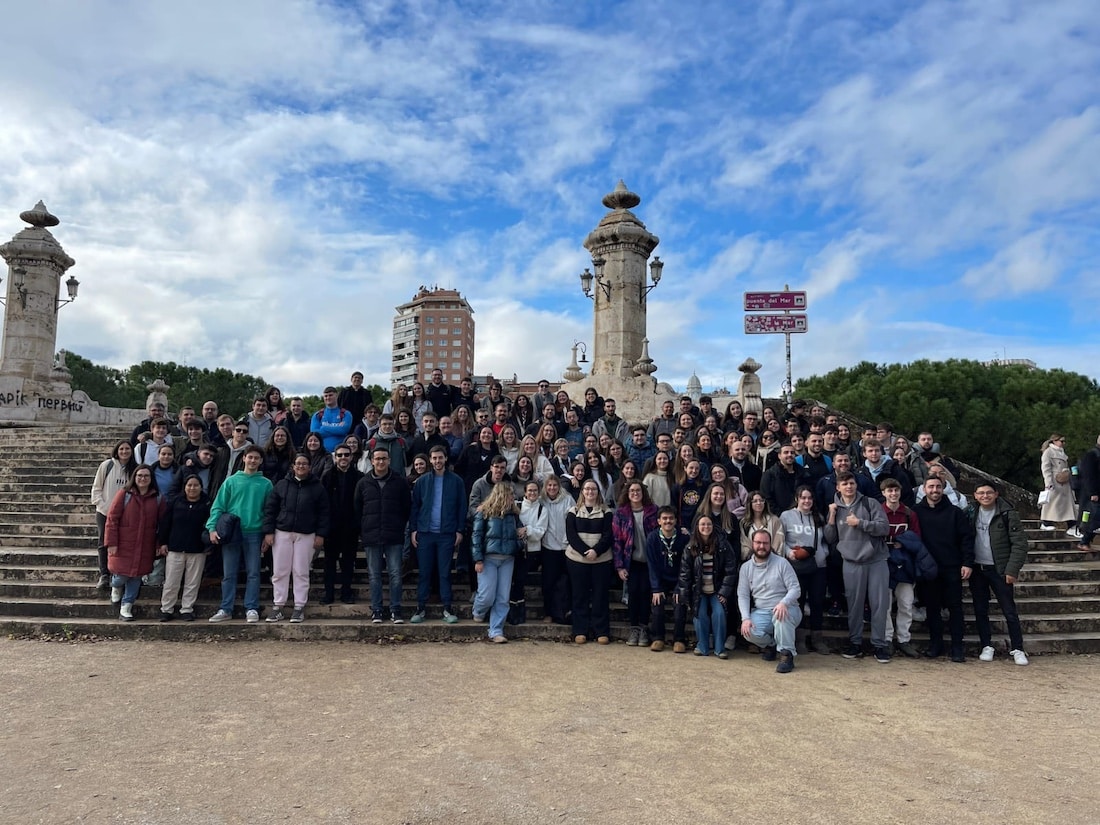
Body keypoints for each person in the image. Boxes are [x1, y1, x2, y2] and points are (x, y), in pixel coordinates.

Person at [825, 471, 891, 663]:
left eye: (851, 483)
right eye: (844, 484)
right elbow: (830, 537)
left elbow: (884, 528)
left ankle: (879, 645)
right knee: (854, 604)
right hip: (851, 561)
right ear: (838, 487)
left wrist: (860, 523)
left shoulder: (870, 503)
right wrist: (831, 516)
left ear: (856, 485)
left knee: (879, 604)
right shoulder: (834, 508)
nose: (849, 486)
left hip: (876, 559)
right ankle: (855, 642)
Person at [206, 445, 274, 623]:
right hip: (232, 533)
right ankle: (225, 608)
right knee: (229, 573)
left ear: (260, 461)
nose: (252, 461)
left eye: (256, 458)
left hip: (255, 533)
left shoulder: (266, 484)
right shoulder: (231, 481)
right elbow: (218, 506)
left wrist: (267, 533)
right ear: (244, 458)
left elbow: (270, 512)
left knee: (253, 573)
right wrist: (212, 528)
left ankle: (251, 607)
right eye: (250, 457)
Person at [262, 453, 330, 623]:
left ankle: (299, 606)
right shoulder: (282, 485)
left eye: (304, 463)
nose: (301, 466)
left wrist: (321, 534)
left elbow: (324, 513)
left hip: (306, 534)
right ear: (293, 466)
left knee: (301, 571)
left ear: (309, 467)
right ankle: (278, 606)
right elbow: (270, 509)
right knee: (280, 571)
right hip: (282, 532)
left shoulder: (317, 487)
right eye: (298, 463)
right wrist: (268, 531)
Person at [913, 475, 974, 662]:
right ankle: (935, 645)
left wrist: (967, 563)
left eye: (938, 487)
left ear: (943, 489)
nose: (934, 490)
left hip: (952, 567)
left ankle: (957, 647)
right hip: (928, 568)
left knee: (955, 608)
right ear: (924, 489)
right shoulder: (916, 512)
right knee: (932, 608)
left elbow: (966, 539)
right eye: (931, 486)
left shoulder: (955, 513)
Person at [969, 482, 1030, 665]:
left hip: (1000, 569)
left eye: (989, 492)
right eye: (981, 493)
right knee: (980, 609)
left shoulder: (1007, 513)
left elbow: (1020, 543)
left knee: (1009, 610)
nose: (985, 496)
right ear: (975, 495)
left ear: (996, 494)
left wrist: (1012, 569)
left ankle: (1018, 648)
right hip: (977, 568)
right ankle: (986, 645)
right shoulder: (970, 513)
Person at [409, 445, 467, 624]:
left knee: (444, 573)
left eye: (440, 457)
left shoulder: (456, 481)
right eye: (434, 458)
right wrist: (413, 530)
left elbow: (462, 507)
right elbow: (415, 507)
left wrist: (459, 530)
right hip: (425, 533)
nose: (437, 461)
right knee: (424, 573)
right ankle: (420, 608)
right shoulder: (422, 481)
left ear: (446, 458)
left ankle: (447, 608)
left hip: (446, 534)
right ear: (430, 459)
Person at [355, 446, 412, 623]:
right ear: (372, 461)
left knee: (395, 574)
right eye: (377, 459)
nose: (381, 462)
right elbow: (357, 509)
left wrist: (399, 526)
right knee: (374, 575)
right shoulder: (363, 483)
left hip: (394, 535)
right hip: (371, 535)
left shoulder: (400, 482)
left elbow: (406, 508)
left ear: (389, 460)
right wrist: (363, 529)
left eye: (384, 458)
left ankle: (396, 609)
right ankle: (377, 610)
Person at [880, 477, 933, 659]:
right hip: (884, 563)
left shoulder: (909, 513)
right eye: (889, 490)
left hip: (905, 564)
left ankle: (904, 639)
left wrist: (902, 542)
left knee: (906, 603)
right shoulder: (879, 512)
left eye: (896, 490)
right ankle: (887, 639)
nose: (893, 494)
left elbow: (916, 538)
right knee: (885, 604)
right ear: (883, 493)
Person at [105, 465, 165, 620]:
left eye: (146, 476)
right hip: (124, 542)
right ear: (134, 477)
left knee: (136, 576)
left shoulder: (158, 498)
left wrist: (159, 544)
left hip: (145, 544)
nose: (143, 479)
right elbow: (112, 519)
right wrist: (111, 542)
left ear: (151, 478)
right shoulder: (124, 494)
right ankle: (115, 585)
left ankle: (127, 606)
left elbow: (162, 524)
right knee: (121, 575)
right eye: (140, 475)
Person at [738, 528, 802, 673]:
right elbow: (743, 595)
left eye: (765, 543)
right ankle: (771, 645)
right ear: (752, 544)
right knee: (748, 630)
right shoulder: (745, 568)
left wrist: (784, 603)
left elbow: (795, 589)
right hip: (762, 611)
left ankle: (786, 654)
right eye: (758, 543)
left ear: (770, 544)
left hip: (787, 609)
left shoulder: (782, 563)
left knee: (781, 617)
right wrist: (745, 618)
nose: (762, 546)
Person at [675, 514, 737, 658]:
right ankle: (702, 646)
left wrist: (724, 592)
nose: (706, 527)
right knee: (700, 614)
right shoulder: (690, 547)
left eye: (708, 524)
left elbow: (730, 570)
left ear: (713, 526)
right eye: (702, 524)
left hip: (717, 590)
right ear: (697, 527)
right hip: (699, 591)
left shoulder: (723, 545)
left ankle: (720, 648)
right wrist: (686, 597)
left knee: (719, 613)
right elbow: (684, 574)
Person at [779, 486, 831, 655]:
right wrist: (789, 552)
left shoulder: (818, 517)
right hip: (796, 566)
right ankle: (799, 639)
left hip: (818, 566)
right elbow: (781, 540)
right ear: (797, 499)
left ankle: (817, 639)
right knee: (798, 602)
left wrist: (824, 554)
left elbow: (825, 541)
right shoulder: (786, 516)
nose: (807, 501)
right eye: (803, 498)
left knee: (817, 602)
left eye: (809, 498)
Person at [471, 482, 524, 644]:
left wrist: (519, 542)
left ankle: (496, 630)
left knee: (502, 597)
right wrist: (478, 559)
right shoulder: (484, 512)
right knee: (487, 595)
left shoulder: (514, 514)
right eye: (510, 495)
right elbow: (476, 536)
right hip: (488, 559)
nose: (513, 498)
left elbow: (519, 534)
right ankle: (478, 611)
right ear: (501, 495)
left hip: (507, 559)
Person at [565, 479, 614, 645]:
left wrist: (596, 551)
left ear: (598, 492)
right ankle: (580, 630)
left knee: (600, 596)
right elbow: (571, 535)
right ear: (582, 492)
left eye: (593, 489)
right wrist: (585, 551)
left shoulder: (606, 511)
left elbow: (608, 535)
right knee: (580, 596)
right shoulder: (573, 511)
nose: (590, 492)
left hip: (602, 560)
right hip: (577, 560)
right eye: (587, 489)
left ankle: (601, 631)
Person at [157, 474, 211, 621]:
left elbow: (210, 525)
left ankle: (187, 609)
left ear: (201, 487)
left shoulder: (207, 504)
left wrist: (208, 546)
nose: (192, 488)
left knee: (192, 582)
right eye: (189, 485)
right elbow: (165, 523)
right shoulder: (175, 502)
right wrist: (163, 542)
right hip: (175, 548)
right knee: (171, 582)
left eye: (196, 485)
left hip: (198, 549)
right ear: (184, 487)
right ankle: (166, 609)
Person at [612, 481, 659, 648]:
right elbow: (617, 541)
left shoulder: (653, 511)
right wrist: (619, 566)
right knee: (632, 594)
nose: (635, 493)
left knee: (646, 593)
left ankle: (644, 627)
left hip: (649, 561)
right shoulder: (621, 513)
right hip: (630, 561)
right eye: (632, 490)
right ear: (627, 493)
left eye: (638, 490)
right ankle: (634, 628)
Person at [320, 442, 365, 606]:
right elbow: (322, 503)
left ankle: (346, 592)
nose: (343, 458)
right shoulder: (327, 476)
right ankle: (329, 594)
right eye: (339, 455)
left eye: (346, 454)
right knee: (329, 562)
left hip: (351, 527)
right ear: (335, 457)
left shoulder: (360, 477)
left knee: (348, 562)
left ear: (351, 457)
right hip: (331, 528)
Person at [91, 440, 136, 591]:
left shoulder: (134, 469)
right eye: (121, 449)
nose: (124, 452)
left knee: (122, 543)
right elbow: (96, 489)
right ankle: (104, 574)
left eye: (127, 449)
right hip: (104, 511)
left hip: (126, 514)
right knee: (104, 542)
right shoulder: (107, 465)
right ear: (117, 451)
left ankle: (119, 572)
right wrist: (104, 506)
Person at [645, 505, 690, 652]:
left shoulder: (684, 538)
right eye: (664, 518)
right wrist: (656, 588)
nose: (668, 521)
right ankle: (658, 638)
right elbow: (651, 565)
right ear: (659, 521)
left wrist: (680, 587)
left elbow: (685, 566)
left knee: (679, 605)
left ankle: (679, 639)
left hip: (678, 580)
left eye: (671, 518)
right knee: (657, 605)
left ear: (676, 520)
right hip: (660, 580)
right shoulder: (652, 538)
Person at [539, 476, 573, 624]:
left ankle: (566, 611)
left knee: (567, 582)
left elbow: (572, 520)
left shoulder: (568, 499)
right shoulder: (542, 500)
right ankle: (549, 613)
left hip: (566, 547)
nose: (552, 488)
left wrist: (568, 540)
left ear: (559, 487)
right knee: (548, 582)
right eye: (549, 485)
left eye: (555, 485)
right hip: (548, 547)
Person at [1040, 434, 1077, 533]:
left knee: (1067, 503)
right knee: (1052, 503)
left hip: (1064, 480)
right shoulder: (1048, 452)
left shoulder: (1061, 452)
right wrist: (1048, 482)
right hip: (1054, 481)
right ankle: (1046, 522)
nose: (1063, 443)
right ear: (1054, 441)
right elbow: (1046, 468)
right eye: (1061, 441)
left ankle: (1071, 524)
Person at [738, 492, 784, 560]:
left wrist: (769, 555)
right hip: (752, 560)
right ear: (750, 504)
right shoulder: (744, 523)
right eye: (755, 501)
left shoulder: (774, 520)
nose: (759, 503)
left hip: (772, 559)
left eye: (761, 500)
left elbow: (779, 541)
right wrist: (755, 556)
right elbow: (744, 544)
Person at [311, 386, 353, 452]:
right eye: (326, 396)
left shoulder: (346, 414)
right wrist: (337, 429)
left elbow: (343, 430)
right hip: (321, 452)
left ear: (336, 396)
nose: (328, 398)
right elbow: (314, 433)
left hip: (341, 453)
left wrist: (324, 427)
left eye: (330, 395)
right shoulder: (318, 415)